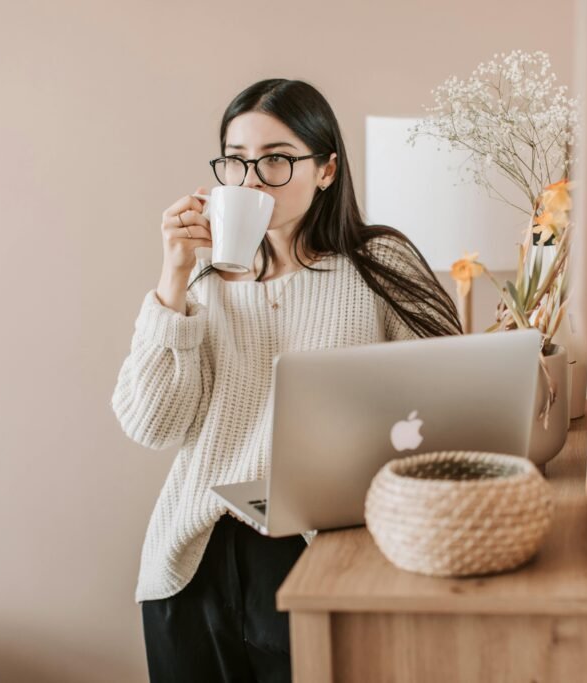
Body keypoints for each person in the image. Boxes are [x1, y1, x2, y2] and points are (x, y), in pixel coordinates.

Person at [110, 78, 462, 683]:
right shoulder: (201, 285)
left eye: (275, 160)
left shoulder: (378, 265)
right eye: (237, 162)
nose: (250, 181)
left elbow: (451, 403)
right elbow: (151, 424)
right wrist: (173, 279)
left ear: (326, 169)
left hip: (320, 553)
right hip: (191, 563)